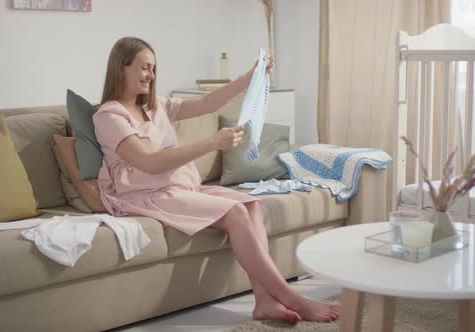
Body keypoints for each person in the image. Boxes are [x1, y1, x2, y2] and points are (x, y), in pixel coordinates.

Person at [93, 37, 340, 324]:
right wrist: (212, 143)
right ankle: (289, 295)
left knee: (250, 205)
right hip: (145, 193)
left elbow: (209, 103)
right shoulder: (109, 116)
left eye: (154, 68)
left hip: (178, 187)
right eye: (145, 68)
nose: (151, 75)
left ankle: (264, 301)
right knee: (235, 213)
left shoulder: (156, 107)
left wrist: (250, 76)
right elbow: (149, 163)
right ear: (121, 68)